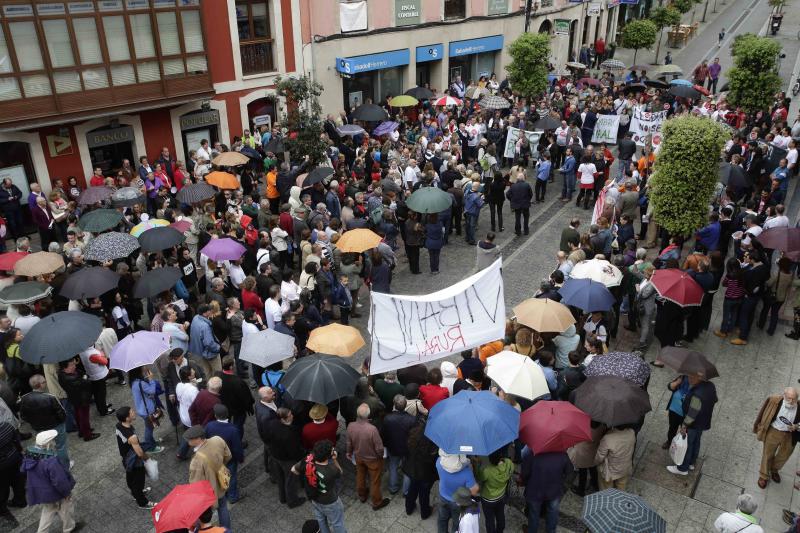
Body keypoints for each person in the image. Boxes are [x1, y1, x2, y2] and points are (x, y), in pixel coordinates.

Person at [21, 430, 79, 531]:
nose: (54, 442)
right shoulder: (50, 461)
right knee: (65, 509)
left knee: (47, 512)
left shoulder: (29, 455)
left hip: (43, 494)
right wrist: (66, 493)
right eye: (52, 440)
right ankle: (69, 528)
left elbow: (23, 470)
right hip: (55, 493)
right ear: (47, 444)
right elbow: (59, 481)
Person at [666, 372, 717, 476]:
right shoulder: (710, 385)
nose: (690, 378)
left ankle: (682, 468)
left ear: (701, 377)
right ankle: (691, 462)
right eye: (689, 375)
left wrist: (684, 426)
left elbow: (692, 414)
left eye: (693, 377)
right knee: (696, 442)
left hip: (693, 423)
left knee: (687, 445)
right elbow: (715, 399)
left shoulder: (697, 394)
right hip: (703, 422)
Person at [292, 439, 347, 533]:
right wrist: (334, 459)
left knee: (321, 520)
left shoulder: (308, 459)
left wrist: (306, 476)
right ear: (327, 456)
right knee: (337, 523)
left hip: (315, 498)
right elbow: (340, 472)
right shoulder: (331, 470)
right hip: (330, 502)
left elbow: (293, 469)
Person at [185, 425, 233, 529]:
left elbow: (195, 483)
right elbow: (228, 455)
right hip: (222, 482)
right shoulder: (217, 439)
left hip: (209, 492)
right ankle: (226, 530)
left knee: (205, 515)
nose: (188, 441)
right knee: (223, 507)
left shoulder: (196, 460)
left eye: (190, 439)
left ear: (198, 439)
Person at [753, 387, 800, 489]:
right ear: (784, 395)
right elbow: (763, 413)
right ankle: (763, 475)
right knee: (767, 454)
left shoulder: (799, 406)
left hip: (790, 435)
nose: (791, 401)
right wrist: (758, 426)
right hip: (774, 431)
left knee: (784, 456)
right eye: (789, 398)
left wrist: (796, 426)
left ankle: (774, 469)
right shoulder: (774, 400)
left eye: (794, 399)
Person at [19, 375, 69, 468]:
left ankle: (52, 467)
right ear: (40, 385)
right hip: (56, 426)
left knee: (46, 448)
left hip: (39, 429)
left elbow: (23, 416)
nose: (46, 383)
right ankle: (65, 467)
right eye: (44, 381)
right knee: (61, 446)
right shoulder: (51, 397)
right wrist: (61, 422)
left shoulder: (24, 398)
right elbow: (62, 414)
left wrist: (34, 423)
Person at [346, 403, 389, 510]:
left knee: (360, 475)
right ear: (368, 415)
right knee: (374, 481)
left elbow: (349, 442)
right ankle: (377, 502)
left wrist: (348, 452)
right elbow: (379, 448)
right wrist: (380, 456)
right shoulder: (372, 429)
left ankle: (362, 495)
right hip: (373, 459)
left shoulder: (350, 426)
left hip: (359, 457)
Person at [520, 448, 573, 533]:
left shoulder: (531, 453)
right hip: (554, 491)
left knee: (534, 513)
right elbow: (569, 471)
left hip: (534, 490)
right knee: (553, 512)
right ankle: (551, 531)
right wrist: (562, 486)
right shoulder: (562, 454)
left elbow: (524, 473)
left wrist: (526, 482)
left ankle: (532, 531)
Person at [114, 406, 156, 509]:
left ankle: (136, 494)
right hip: (134, 461)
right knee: (138, 481)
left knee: (131, 479)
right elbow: (140, 453)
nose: (134, 412)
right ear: (127, 418)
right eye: (132, 412)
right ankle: (142, 502)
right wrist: (148, 460)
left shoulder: (119, 425)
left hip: (126, 459)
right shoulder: (131, 437)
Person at [205, 404, 245, 504]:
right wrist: (240, 458)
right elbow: (237, 448)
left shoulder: (209, 426)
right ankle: (232, 496)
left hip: (215, 458)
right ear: (227, 415)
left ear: (215, 415)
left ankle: (221, 491)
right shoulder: (233, 430)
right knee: (231, 477)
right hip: (229, 459)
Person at [268, 407, 306, 508]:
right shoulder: (289, 433)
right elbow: (293, 451)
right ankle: (292, 501)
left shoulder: (272, 424)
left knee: (281, 477)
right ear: (283, 419)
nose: (292, 416)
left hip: (276, 455)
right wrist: (301, 457)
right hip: (287, 460)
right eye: (290, 415)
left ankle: (283, 497)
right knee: (291, 480)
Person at [57, 357, 99, 442]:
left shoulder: (62, 374)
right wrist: (84, 377)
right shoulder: (70, 378)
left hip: (74, 398)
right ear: (65, 367)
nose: (75, 366)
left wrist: (84, 376)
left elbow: (83, 375)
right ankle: (87, 435)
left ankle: (81, 431)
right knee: (84, 417)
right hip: (81, 398)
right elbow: (85, 381)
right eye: (72, 364)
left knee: (78, 414)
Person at [381, 395, 416, 495]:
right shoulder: (412, 419)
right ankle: (406, 491)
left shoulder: (388, 418)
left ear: (394, 405)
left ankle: (393, 488)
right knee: (407, 470)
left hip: (393, 448)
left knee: (393, 467)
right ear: (405, 405)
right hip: (407, 449)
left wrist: (385, 445)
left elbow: (383, 434)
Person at [474, 449, 513, 533]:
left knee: (489, 519)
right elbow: (511, 470)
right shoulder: (509, 463)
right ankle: (500, 530)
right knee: (500, 515)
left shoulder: (488, 471)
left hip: (488, 499)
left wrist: (478, 464)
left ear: (490, 460)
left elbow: (478, 477)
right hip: (501, 496)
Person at [129, 366, 164, 453]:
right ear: (138, 371)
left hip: (142, 409)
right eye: (142, 368)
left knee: (149, 426)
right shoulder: (141, 383)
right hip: (147, 410)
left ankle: (151, 442)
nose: (144, 368)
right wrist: (151, 379)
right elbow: (152, 391)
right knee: (149, 428)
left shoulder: (134, 382)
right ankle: (150, 447)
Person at [594, 426, 635, 490]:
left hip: (609, 472)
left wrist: (595, 463)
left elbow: (600, 457)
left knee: (606, 490)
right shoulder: (631, 433)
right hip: (625, 468)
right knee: (621, 487)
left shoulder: (608, 438)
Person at [189, 304, 222, 377]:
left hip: (199, 352)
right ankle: (217, 387)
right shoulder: (205, 326)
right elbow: (209, 343)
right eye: (209, 310)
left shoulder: (196, 317)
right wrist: (218, 348)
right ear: (204, 313)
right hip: (209, 354)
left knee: (207, 372)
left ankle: (210, 387)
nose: (211, 311)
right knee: (218, 373)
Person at [506, 171, 533, 235]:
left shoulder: (513, 186)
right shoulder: (527, 185)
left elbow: (507, 194)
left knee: (517, 218)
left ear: (517, 179)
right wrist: (528, 199)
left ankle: (518, 231)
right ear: (523, 178)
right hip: (525, 204)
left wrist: (512, 200)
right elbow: (531, 194)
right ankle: (526, 231)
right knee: (526, 218)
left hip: (517, 204)